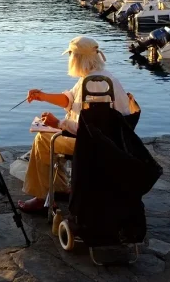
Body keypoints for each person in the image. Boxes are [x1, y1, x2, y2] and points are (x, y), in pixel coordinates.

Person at [18, 35, 132, 214]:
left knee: (43, 139)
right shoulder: (99, 78)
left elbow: (88, 128)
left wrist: (59, 123)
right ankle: (60, 188)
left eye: (70, 55)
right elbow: (70, 99)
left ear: (78, 58)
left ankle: (42, 199)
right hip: (109, 139)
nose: (69, 59)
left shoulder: (93, 85)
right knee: (49, 135)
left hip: (95, 144)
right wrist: (43, 96)